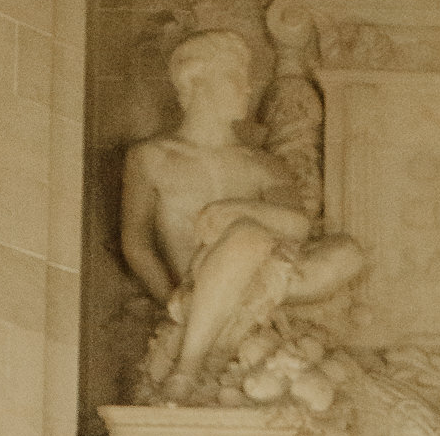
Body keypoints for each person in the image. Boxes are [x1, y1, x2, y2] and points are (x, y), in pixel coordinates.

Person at [121, 29, 363, 401]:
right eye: (236, 77)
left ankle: (215, 339)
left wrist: (236, 209)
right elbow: (135, 244)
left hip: (265, 281)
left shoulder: (263, 164)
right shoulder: (151, 158)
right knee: (248, 237)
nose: (247, 89)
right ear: (197, 80)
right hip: (192, 280)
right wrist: (172, 301)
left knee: (346, 252)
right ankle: (187, 368)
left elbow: (299, 227)